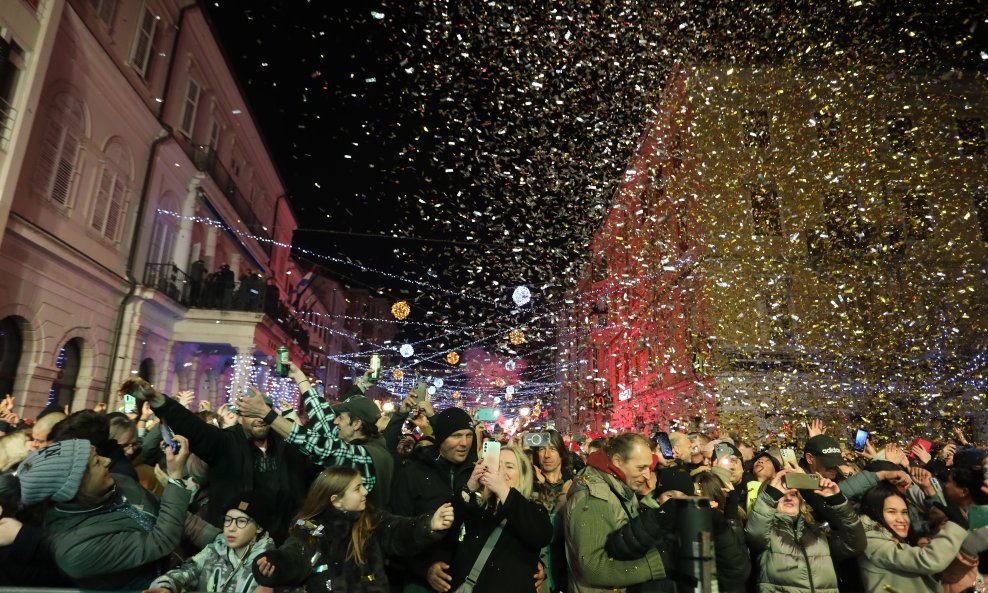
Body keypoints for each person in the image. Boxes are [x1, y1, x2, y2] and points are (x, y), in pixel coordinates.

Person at [124, 379, 317, 543]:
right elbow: (194, 429)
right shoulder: (226, 442)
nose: (259, 419)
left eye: (264, 413)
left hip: (282, 542)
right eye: (251, 414)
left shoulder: (290, 445)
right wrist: (159, 400)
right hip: (233, 544)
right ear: (240, 418)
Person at [16, 437, 219, 589]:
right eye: (95, 462)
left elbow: (176, 515)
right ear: (74, 487)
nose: (106, 461)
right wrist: (176, 478)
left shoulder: (118, 482)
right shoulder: (74, 549)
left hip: (191, 575)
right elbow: (160, 542)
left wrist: (221, 541)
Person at [252, 466, 455, 593]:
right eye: (357, 488)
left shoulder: (372, 520)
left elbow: (399, 531)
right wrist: (275, 564)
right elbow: (296, 554)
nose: (365, 492)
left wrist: (428, 524)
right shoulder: (311, 529)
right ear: (337, 500)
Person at [236, 363, 394, 509]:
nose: (335, 421)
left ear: (356, 424)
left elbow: (316, 444)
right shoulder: (363, 442)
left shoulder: (366, 456)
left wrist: (266, 414)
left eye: (341, 417)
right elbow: (322, 416)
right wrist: (299, 376)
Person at [564, 432, 669, 593]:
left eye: (650, 467)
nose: (648, 475)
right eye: (641, 468)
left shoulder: (618, 486)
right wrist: (656, 564)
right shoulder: (594, 498)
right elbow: (594, 567)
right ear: (617, 461)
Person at [390, 406, 479, 593]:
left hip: (472, 579)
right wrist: (424, 569)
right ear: (440, 439)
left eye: (469, 435)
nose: (464, 443)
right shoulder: (412, 475)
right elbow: (396, 531)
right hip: (421, 582)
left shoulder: (478, 475)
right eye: (456, 435)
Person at [745, 468, 866, 593]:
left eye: (793, 494)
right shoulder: (766, 532)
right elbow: (756, 534)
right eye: (781, 494)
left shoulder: (818, 532)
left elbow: (856, 545)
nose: (789, 498)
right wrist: (769, 497)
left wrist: (837, 500)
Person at [451, 445, 552, 593]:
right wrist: (469, 486)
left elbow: (541, 535)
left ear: (523, 474)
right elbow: (446, 526)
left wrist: (504, 490)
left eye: (509, 466)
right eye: (497, 465)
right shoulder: (478, 508)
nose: (501, 471)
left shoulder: (532, 509)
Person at [145, 491, 276, 593]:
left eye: (241, 521)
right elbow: (187, 571)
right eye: (228, 520)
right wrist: (166, 587)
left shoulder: (268, 565)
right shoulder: (213, 551)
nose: (231, 527)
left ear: (259, 527)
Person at [857, 481, 968, 593]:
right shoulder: (874, 544)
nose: (901, 519)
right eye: (892, 512)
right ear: (874, 514)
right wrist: (956, 526)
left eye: (904, 512)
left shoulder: (895, 542)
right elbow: (929, 560)